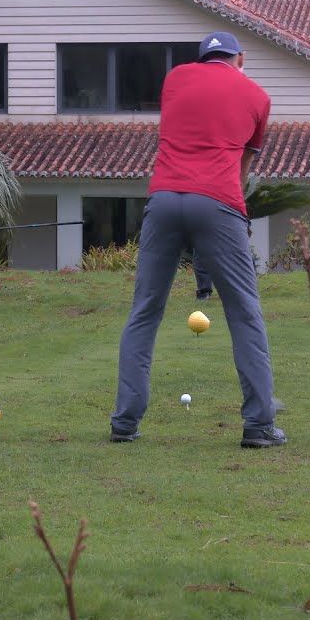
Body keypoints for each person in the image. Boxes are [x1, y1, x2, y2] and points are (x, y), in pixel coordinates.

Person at [109, 31, 285, 449]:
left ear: (202, 58)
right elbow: (243, 164)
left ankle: (124, 423)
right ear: (240, 58)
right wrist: (233, 210)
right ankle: (259, 425)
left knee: (145, 310)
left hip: (164, 198)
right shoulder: (258, 97)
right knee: (243, 311)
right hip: (217, 201)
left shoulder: (176, 78)